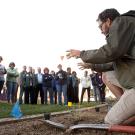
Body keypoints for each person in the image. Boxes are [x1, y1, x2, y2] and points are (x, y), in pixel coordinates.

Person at [66, 8, 135, 125]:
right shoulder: (126, 29)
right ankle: (126, 105)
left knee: (110, 121)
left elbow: (110, 51)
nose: (101, 31)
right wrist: (91, 65)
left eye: (100, 26)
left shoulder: (121, 22)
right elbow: (114, 61)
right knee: (107, 76)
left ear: (108, 21)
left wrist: (82, 54)